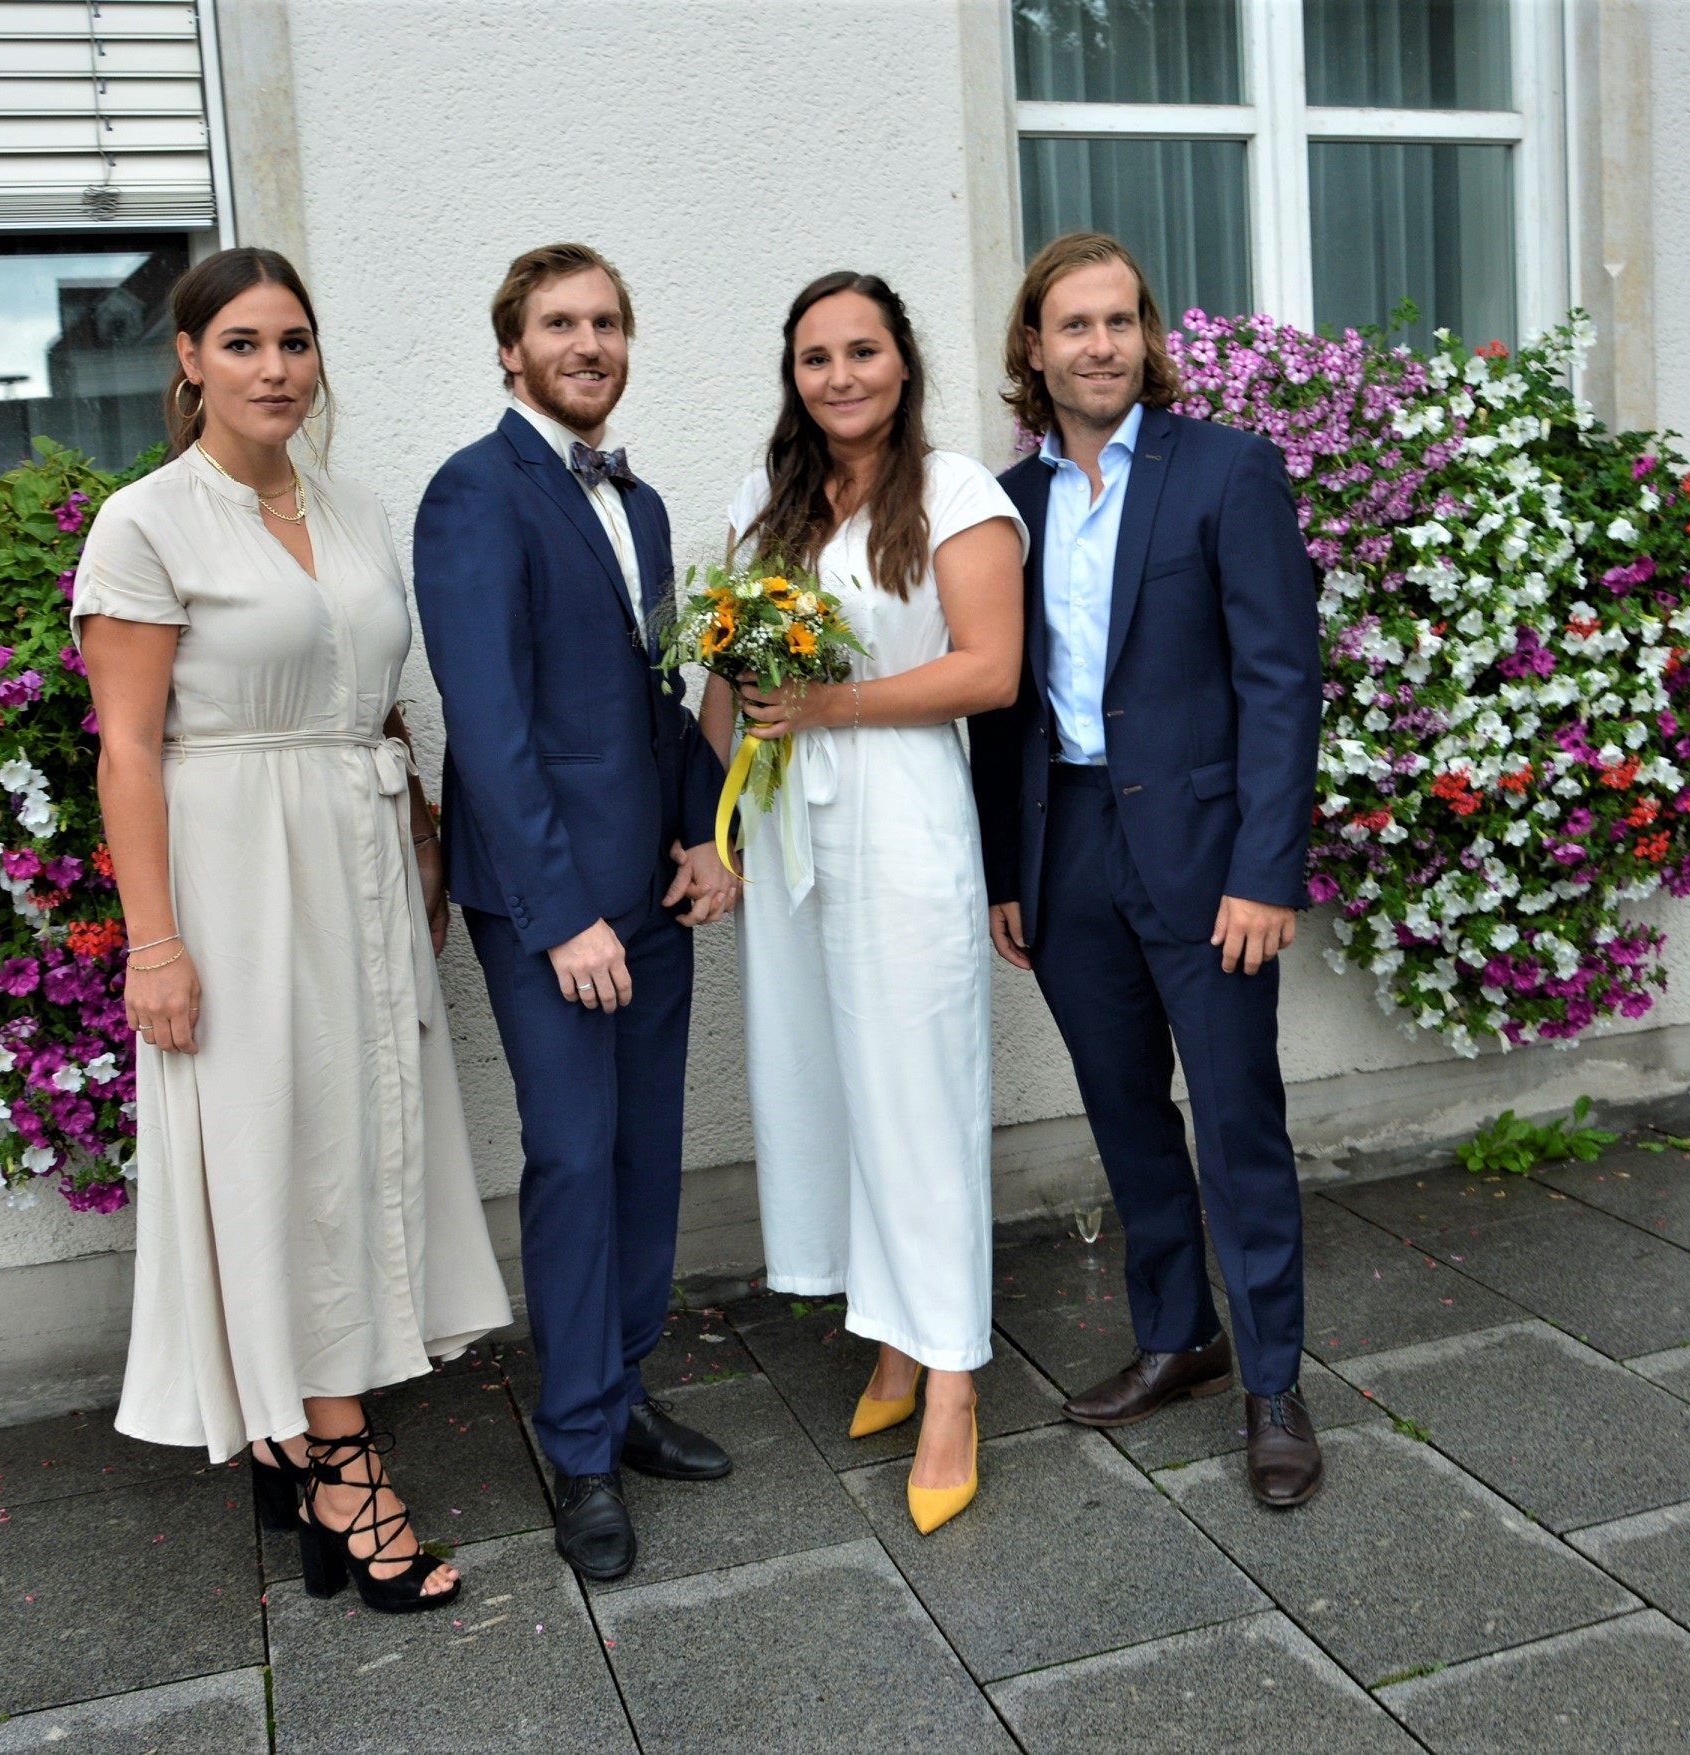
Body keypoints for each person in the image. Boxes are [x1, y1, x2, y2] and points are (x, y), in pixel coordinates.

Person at [75, 246, 511, 1615]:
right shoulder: (146, 523)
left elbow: (380, 702)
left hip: (362, 857)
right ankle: (341, 1456)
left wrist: (424, 845)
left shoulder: (357, 507)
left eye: (296, 343)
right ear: (191, 359)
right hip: (236, 872)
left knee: (365, 1134)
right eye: (245, 343)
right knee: (285, 1146)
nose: (275, 368)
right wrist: (155, 942)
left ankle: (291, 1426)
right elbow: (128, 752)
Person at [969, 232, 1327, 1507]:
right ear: (1034, 347)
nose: (1102, 345)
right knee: (1126, 1114)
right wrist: (1010, 868)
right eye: (1075, 326)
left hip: (1207, 855)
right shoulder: (1001, 504)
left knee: (1238, 1121)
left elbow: (1282, 684)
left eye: (1120, 322)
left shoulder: (1227, 472)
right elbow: (1000, 707)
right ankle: (1177, 1335)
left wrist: (1265, 871)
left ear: (1147, 338)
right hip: (1066, 851)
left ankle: (1274, 1381)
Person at [412, 243, 740, 1584]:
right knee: (571, 1158)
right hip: (551, 906)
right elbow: (486, 728)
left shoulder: (643, 503)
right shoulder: (472, 495)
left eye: (606, 321)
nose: (587, 341)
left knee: (644, 1154)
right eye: (560, 322)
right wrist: (560, 915)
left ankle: (625, 1388)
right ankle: (579, 1449)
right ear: (510, 348)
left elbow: (659, 701)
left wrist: (709, 835)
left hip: (650, 888)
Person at [703, 271, 1024, 1534]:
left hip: (901, 815)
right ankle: (887, 1335)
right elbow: (727, 674)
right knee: (829, 1081)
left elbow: (990, 671)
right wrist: (714, 830)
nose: (840, 377)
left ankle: (951, 1375)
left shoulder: (956, 493)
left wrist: (832, 705)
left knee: (916, 1085)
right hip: (785, 818)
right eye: (816, 358)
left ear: (905, 362)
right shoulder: (767, 500)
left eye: (863, 351)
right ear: (794, 374)